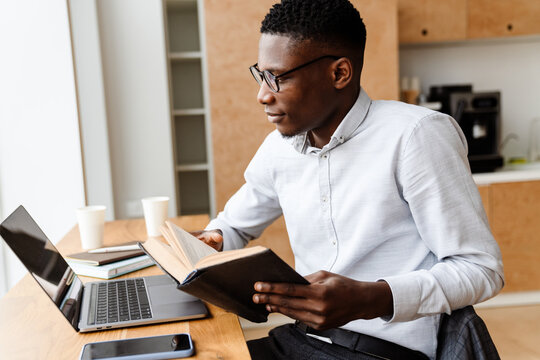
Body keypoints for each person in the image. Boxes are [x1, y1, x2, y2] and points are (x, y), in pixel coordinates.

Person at [195, 0, 504, 359]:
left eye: (278, 77)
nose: (263, 95)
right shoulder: (280, 148)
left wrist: (370, 298)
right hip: (302, 341)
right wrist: (210, 242)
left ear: (340, 73)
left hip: (382, 351)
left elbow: (481, 269)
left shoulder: (416, 136)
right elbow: (233, 226)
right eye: (261, 74)